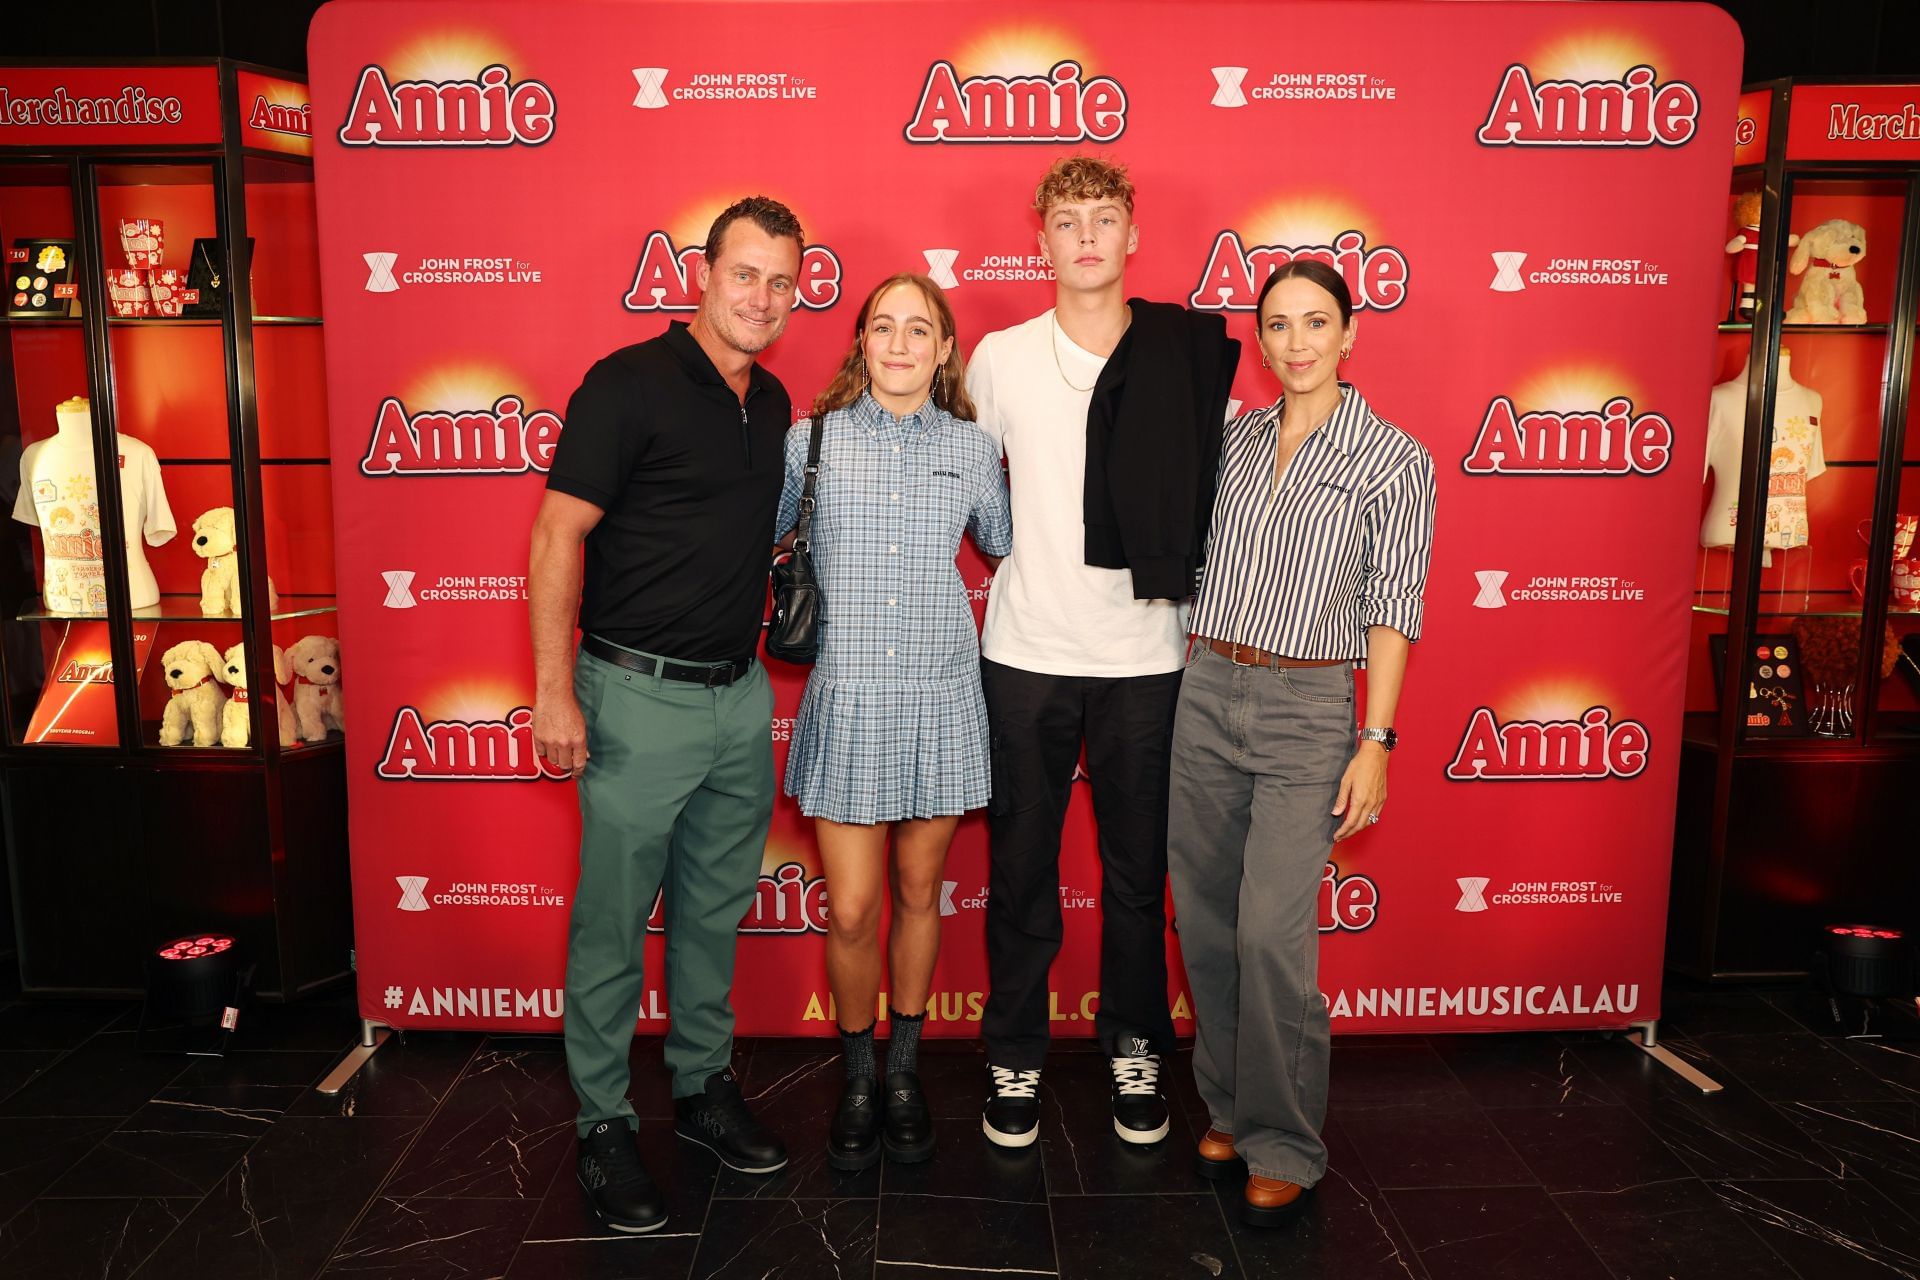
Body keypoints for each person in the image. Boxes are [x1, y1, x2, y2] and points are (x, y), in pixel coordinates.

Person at [529, 196, 806, 1234]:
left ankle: (699, 1085)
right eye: (747, 274)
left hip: (737, 699)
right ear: (704, 272)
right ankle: (603, 1121)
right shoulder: (626, 383)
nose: (763, 298)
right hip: (632, 696)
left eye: (782, 282)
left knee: (710, 911)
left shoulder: (773, 402)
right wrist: (555, 690)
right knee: (612, 922)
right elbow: (558, 535)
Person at [967, 156, 1239, 1148]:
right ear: (1039, 239)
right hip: (1026, 652)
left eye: (1105, 217)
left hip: (1146, 657)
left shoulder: (1185, 352)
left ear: (1134, 234)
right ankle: (1015, 1055)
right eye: (1067, 219)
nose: (1086, 234)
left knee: (1136, 874)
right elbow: (952, 475)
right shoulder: (998, 357)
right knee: (1023, 868)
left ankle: (1135, 1045)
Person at [1169, 260, 1436, 1226]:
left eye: (1316, 323)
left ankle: (1285, 1140)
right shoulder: (1233, 442)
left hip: (1308, 704)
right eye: (1277, 325)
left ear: (1350, 333)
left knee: (1268, 933)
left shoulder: (1394, 458)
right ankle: (1232, 1111)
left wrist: (1377, 738)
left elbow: (1393, 611)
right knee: (1202, 920)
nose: (1296, 343)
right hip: (1206, 687)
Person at [774, 272, 1011, 1170]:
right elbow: (757, 536)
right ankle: (859, 1074)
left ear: (945, 348)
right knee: (855, 908)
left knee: (919, 895)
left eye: (921, 330)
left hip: (942, 696)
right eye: (884, 327)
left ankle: (905, 1073)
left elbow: (1005, 544)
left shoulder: (973, 446)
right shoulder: (814, 442)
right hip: (850, 700)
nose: (902, 344)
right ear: (861, 343)